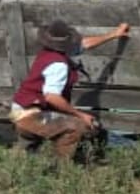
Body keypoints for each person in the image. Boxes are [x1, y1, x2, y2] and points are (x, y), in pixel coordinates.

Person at [10, 19, 130, 160]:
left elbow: (84, 44)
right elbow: (51, 97)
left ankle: (24, 154)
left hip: (22, 108)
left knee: (54, 126)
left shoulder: (48, 53)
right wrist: (80, 115)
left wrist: (114, 34)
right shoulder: (58, 65)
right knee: (78, 126)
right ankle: (61, 167)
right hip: (30, 114)